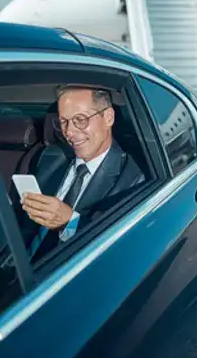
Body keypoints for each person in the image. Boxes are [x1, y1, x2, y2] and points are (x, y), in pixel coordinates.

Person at [20, 85, 145, 262]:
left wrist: (69, 223)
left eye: (80, 119)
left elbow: (118, 249)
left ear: (108, 117)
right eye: (63, 121)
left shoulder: (133, 178)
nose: (69, 132)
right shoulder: (48, 158)